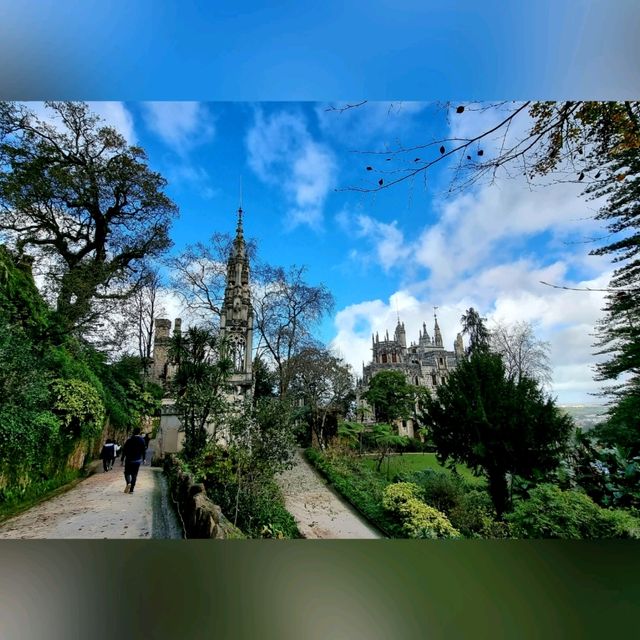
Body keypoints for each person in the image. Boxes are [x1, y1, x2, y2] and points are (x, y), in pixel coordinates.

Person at [120, 427, 146, 494]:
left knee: (127, 473)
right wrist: (144, 459)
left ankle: (128, 482)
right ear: (139, 432)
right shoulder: (142, 440)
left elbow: (124, 450)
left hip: (129, 460)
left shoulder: (129, 440)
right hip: (137, 460)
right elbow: (144, 450)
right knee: (134, 475)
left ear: (133, 432)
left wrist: (122, 459)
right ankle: (131, 490)